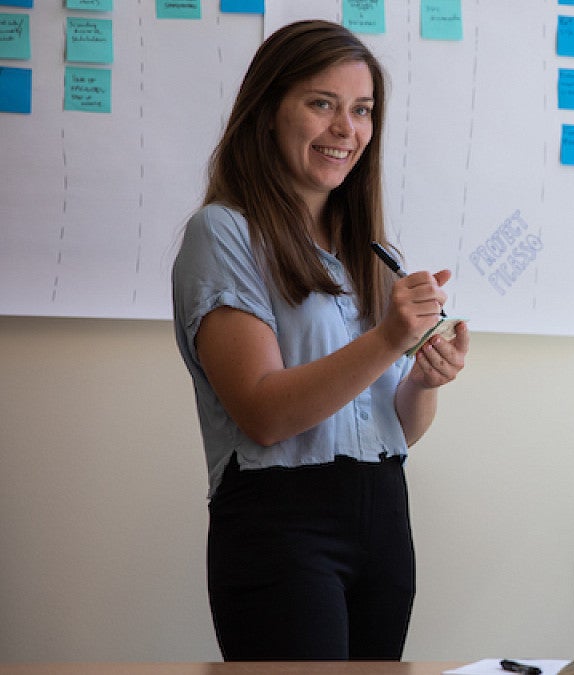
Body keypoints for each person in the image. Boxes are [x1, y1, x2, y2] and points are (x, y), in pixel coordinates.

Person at [171, 20, 469, 661]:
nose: (346, 129)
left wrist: (423, 377)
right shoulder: (223, 234)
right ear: (268, 112)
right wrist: (391, 337)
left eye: (361, 110)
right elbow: (266, 412)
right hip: (283, 523)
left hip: (384, 515)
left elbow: (397, 428)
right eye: (322, 104)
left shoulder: (374, 253)